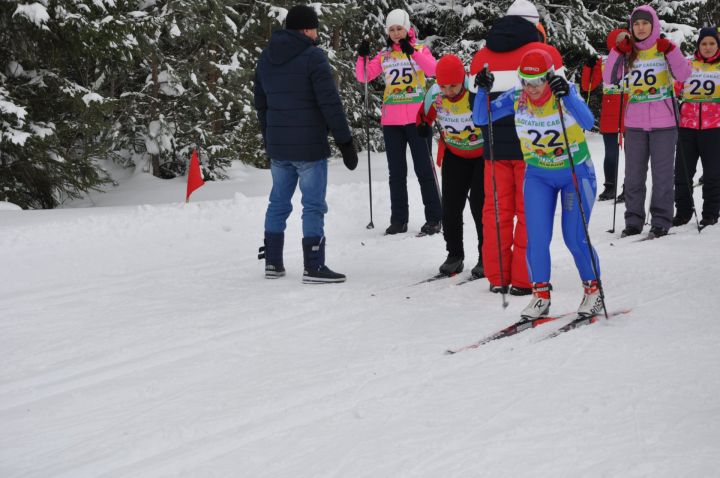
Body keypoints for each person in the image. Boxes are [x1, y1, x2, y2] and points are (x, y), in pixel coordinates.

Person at [474, 49, 604, 319]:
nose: (530, 89)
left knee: (574, 236)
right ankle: (540, 296)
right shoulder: (516, 98)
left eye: (536, 82)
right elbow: (480, 119)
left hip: (574, 175)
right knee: (537, 238)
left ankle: (593, 292)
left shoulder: (563, 93)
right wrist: (483, 91)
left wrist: (568, 94)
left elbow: (590, 122)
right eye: (525, 82)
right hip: (538, 176)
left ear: (549, 78)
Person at [254, 5, 358, 283]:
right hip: (309, 147)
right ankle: (313, 266)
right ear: (306, 29)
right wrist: (345, 141)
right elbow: (330, 103)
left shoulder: (266, 57)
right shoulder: (314, 57)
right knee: (312, 205)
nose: (316, 33)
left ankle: (273, 263)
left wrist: (269, 138)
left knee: (278, 202)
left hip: (279, 147)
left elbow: (260, 105)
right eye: (314, 28)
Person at [470, 0, 564, 296]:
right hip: (533, 149)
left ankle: (497, 277)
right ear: (535, 24)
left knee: (495, 211)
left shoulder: (480, 58)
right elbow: (562, 101)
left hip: (494, 150)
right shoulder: (545, 55)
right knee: (529, 213)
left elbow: (476, 110)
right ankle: (525, 279)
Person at [603, 5, 691, 239]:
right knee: (633, 175)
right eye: (636, 24)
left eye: (645, 23)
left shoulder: (663, 48)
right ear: (632, 27)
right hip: (635, 122)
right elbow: (609, 78)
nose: (640, 28)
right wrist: (617, 51)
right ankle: (633, 220)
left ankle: (661, 220)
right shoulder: (627, 51)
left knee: (662, 175)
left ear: (653, 24)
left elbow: (683, 75)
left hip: (664, 122)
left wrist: (671, 49)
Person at [355, 9, 442, 236]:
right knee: (396, 173)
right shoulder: (384, 55)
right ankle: (398, 219)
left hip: (417, 119)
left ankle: (434, 218)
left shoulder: (420, 50)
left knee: (424, 169)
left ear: (407, 28)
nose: (395, 33)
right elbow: (364, 76)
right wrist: (362, 57)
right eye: (391, 30)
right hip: (392, 120)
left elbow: (434, 70)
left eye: (399, 29)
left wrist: (412, 52)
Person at [416, 54, 485, 277]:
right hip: (455, 154)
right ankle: (454, 254)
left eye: (453, 86)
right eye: (443, 86)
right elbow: (424, 115)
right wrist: (422, 125)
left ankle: (487, 256)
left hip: (482, 156)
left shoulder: (474, 90)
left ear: (462, 79)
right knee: (450, 208)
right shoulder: (435, 94)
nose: (448, 91)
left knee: (479, 205)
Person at [672, 27, 720, 228]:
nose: (708, 47)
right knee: (682, 173)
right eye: (704, 44)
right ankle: (683, 212)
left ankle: (710, 213)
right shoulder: (688, 65)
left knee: (713, 174)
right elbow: (675, 87)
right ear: (698, 45)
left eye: (712, 43)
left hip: (714, 128)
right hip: (687, 127)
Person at [581, 28, 630, 202]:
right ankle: (610, 186)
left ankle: (629, 187)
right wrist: (589, 67)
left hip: (631, 110)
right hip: (610, 112)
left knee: (632, 153)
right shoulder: (605, 62)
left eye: (625, 39)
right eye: (618, 41)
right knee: (610, 153)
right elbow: (587, 87)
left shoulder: (635, 58)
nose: (622, 43)